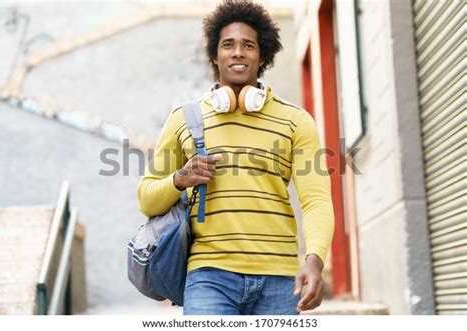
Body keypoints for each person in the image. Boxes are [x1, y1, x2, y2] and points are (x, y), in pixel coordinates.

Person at [137, 0, 334, 315]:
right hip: (208, 278)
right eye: (228, 44)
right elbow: (146, 199)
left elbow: (316, 202)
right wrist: (179, 179)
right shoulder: (183, 119)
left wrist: (314, 261)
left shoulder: (296, 121)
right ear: (215, 55)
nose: (238, 52)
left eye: (248, 45)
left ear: (263, 55)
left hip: (281, 278)